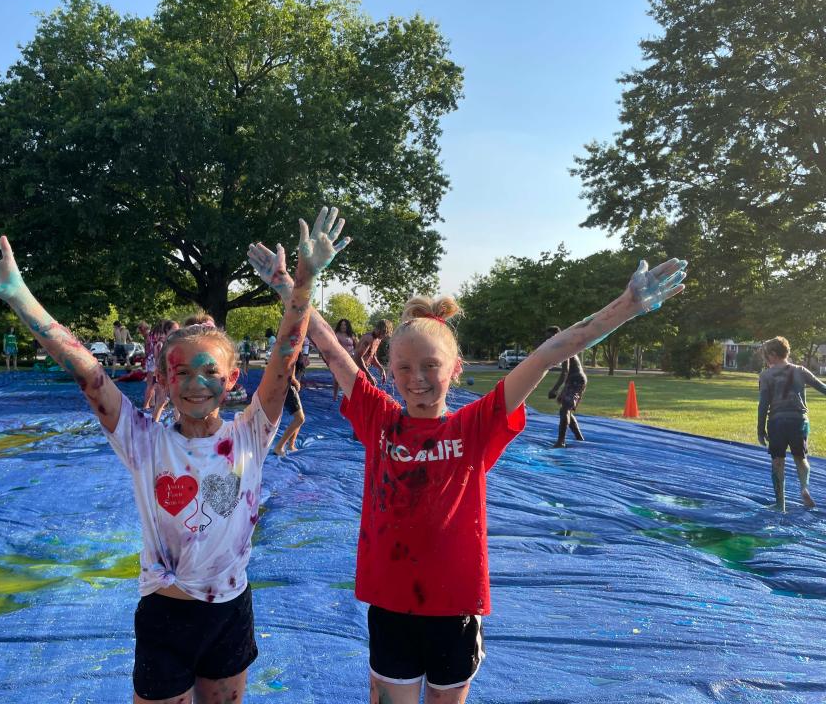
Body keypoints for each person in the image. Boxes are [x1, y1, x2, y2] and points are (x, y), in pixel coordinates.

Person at [250, 235, 685, 704]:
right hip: (391, 604)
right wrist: (291, 287)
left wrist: (622, 308)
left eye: (430, 366)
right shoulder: (378, 417)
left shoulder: (476, 426)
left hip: (453, 607)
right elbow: (331, 348)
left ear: (455, 368)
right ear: (389, 370)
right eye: (404, 367)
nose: (416, 378)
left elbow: (547, 354)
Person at [0, 206, 345, 704]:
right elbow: (88, 373)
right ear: (162, 381)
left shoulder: (252, 433)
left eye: (210, 373)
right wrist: (19, 296)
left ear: (233, 381)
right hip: (166, 615)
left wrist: (301, 284)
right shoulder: (144, 441)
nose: (196, 385)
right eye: (180, 374)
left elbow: (286, 354)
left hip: (231, 613)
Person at [757, 336, 826, 512]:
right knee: (801, 458)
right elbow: (823, 388)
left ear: (772, 354)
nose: (766, 360)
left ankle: (780, 504)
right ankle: (804, 489)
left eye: (766, 356)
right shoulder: (800, 370)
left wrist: (760, 429)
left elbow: (763, 404)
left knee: (777, 462)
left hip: (777, 422)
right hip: (800, 421)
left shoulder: (766, 376)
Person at [544, 325, 587, 448]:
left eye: (550, 337)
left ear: (557, 335)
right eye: (547, 338)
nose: (548, 340)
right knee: (565, 408)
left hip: (576, 380)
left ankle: (561, 441)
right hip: (572, 380)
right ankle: (579, 437)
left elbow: (565, 371)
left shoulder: (564, 347)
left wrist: (555, 389)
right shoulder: (561, 346)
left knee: (564, 410)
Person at [273, 350, 308, 456]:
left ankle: (291, 444)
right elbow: (289, 367)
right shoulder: (292, 350)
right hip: (287, 386)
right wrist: (294, 380)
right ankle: (279, 447)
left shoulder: (298, 351)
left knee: (300, 418)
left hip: (288, 386)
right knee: (300, 418)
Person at [354, 320, 392, 386]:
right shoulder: (369, 338)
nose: (383, 335)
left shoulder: (378, 339)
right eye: (382, 332)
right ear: (377, 328)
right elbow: (357, 357)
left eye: (385, 333)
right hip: (354, 370)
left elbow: (372, 356)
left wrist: (381, 368)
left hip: (362, 369)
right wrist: (369, 376)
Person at [332, 319, 358, 400]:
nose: (343, 326)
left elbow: (356, 346)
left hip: (351, 359)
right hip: (340, 359)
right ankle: (335, 396)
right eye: (342, 325)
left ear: (348, 326)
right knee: (337, 378)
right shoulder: (336, 335)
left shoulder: (351, 335)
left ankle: (348, 396)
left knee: (350, 378)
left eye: (345, 325)